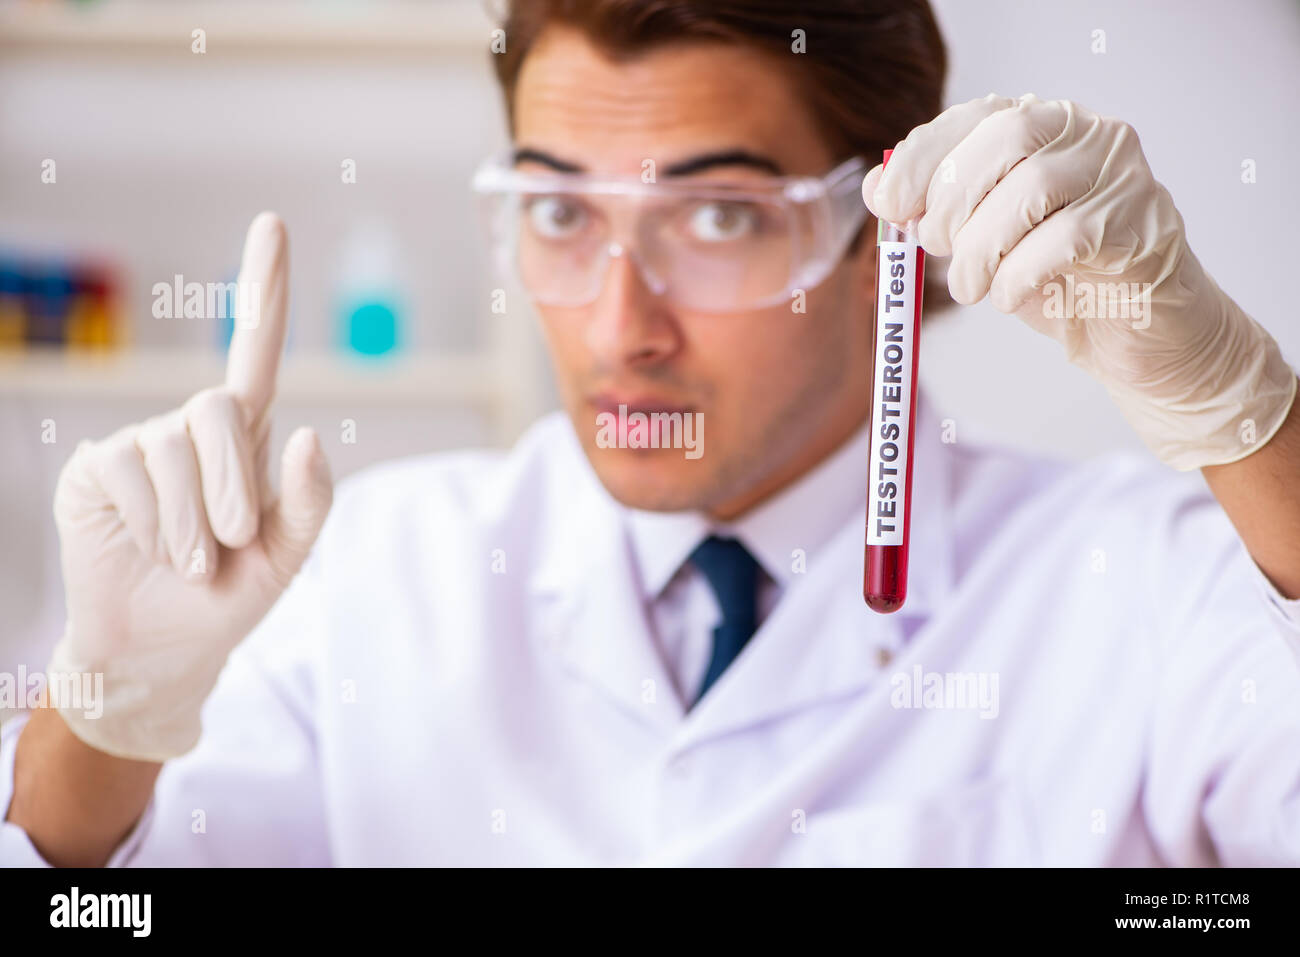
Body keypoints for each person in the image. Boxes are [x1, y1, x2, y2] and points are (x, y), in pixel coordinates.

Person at [3, 0, 1299, 868]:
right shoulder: (364, 576)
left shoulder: (1138, 576)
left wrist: (1251, 416)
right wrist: (104, 718)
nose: (623, 325)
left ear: (884, 237)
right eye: (560, 213)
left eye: (721, 216)